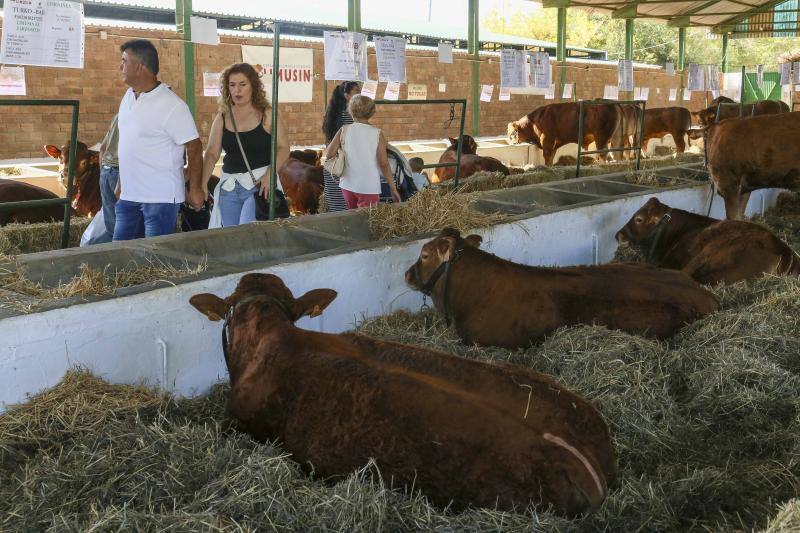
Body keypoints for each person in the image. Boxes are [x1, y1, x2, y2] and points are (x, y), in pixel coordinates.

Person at [113, 39, 204, 241]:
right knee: (120, 257)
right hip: (128, 197)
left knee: (154, 261)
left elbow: (195, 147)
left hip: (160, 200)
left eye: (124, 61)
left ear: (139, 66)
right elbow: (128, 145)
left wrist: (196, 188)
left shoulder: (172, 105)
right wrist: (121, 182)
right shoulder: (127, 97)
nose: (120, 67)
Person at [202, 62, 290, 227]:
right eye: (232, 85)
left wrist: (269, 175)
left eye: (243, 84)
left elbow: (284, 147)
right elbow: (212, 153)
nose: (237, 90)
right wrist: (202, 184)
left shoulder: (267, 114)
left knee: (248, 232)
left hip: (259, 185)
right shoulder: (222, 117)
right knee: (232, 238)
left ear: (253, 86)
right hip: (229, 187)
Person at [323, 95, 400, 209]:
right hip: (368, 186)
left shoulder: (344, 129)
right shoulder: (377, 133)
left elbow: (329, 154)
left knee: (352, 217)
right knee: (367, 220)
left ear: (351, 111)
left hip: (347, 184)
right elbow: (383, 163)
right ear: (372, 112)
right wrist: (393, 188)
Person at [321, 81, 360, 212]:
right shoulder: (349, 116)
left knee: (336, 207)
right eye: (357, 92)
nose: (360, 95)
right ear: (346, 95)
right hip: (344, 165)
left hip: (332, 166)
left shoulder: (331, 114)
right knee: (347, 208)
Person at [98, 114, 120, 238]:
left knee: (112, 225)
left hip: (106, 171)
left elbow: (102, 148)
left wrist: (103, 173)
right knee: (127, 224)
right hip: (119, 172)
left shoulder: (118, 116)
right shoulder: (134, 115)